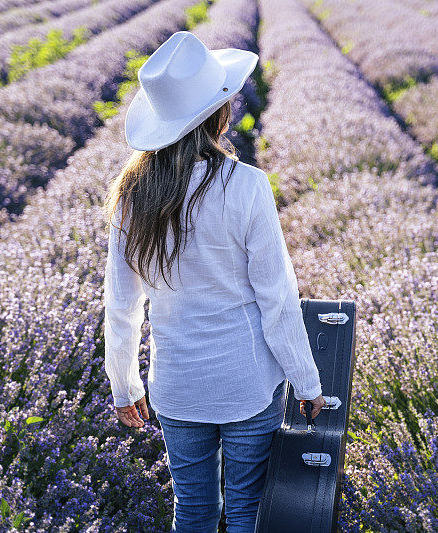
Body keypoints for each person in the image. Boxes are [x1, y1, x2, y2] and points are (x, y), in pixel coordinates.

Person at [101, 31, 326, 532]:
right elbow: (278, 299)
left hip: (177, 386)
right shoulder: (245, 186)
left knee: (193, 511)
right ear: (218, 113)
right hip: (247, 382)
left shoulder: (131, 195)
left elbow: (121, 307)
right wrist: (308, 381)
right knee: (247, 510)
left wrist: (124, 384)